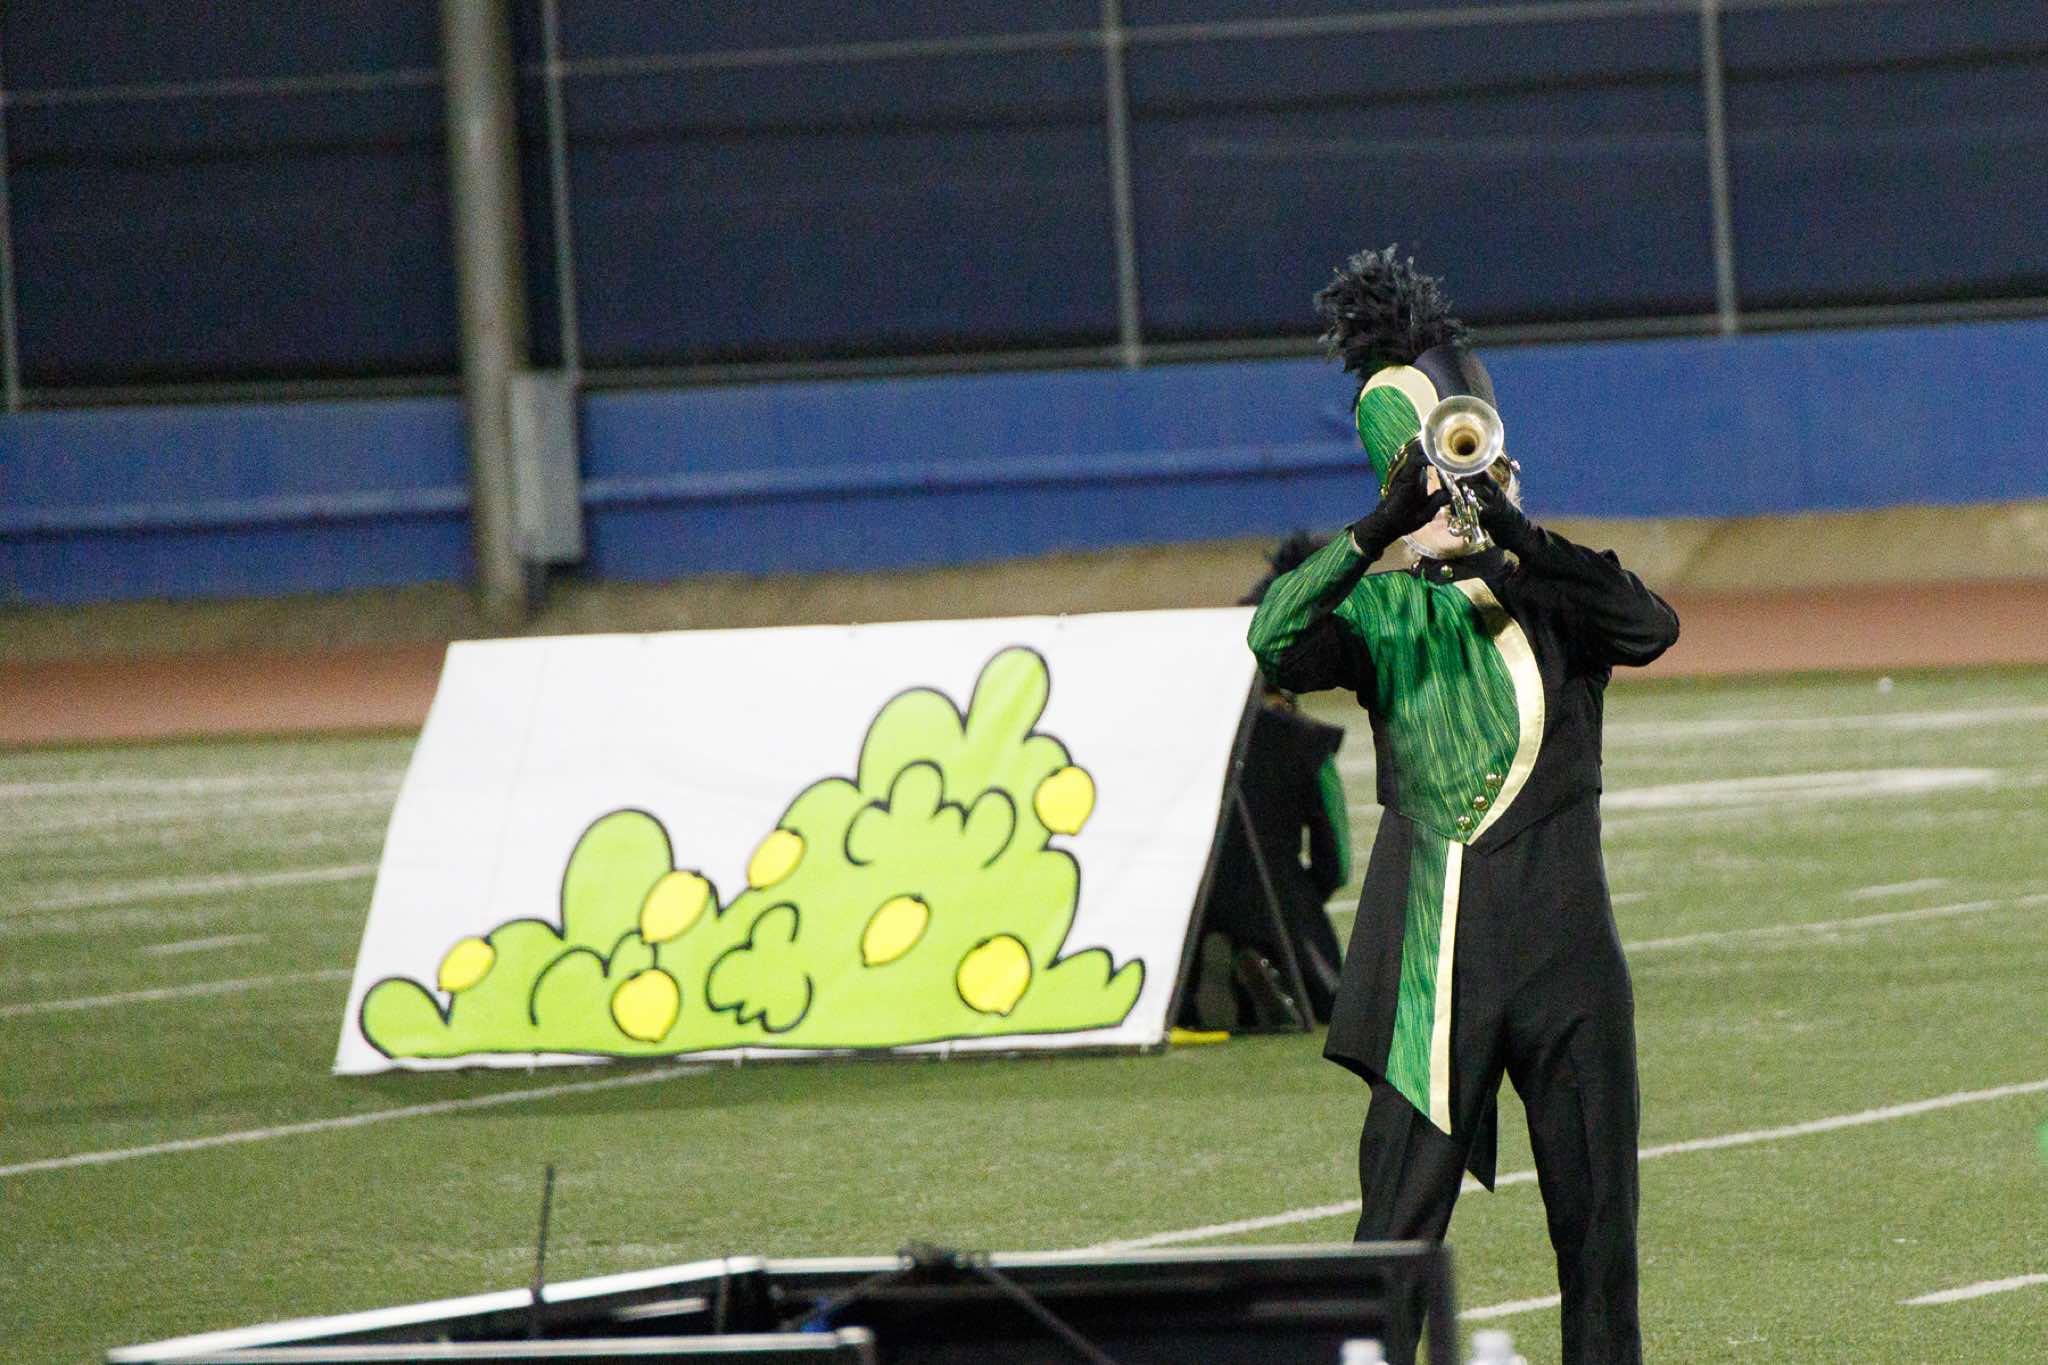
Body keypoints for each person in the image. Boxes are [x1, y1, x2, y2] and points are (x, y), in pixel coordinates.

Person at [1247, 247, 1680, 1365]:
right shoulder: (1384, 615)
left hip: (1569, 964)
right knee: (1393, 1237)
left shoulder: (1557, 596)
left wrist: (1515, 537)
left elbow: (1651, 626)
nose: (1458, 488)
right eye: (1433, 474)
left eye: (1478, 461)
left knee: (1598, 1245)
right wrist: (1375, 529)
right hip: (1432, 972)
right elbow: (1272, 639)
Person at [1184, 534, 1353, 1031]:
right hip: (1277, 903)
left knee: (1184, 991)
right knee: (1332, 1003)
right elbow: (1336, 862)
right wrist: (1304, 896)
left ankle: (1210, 980)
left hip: (1193, 905)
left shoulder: (1187, 735)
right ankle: (1275, 972)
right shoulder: (1305, 744)